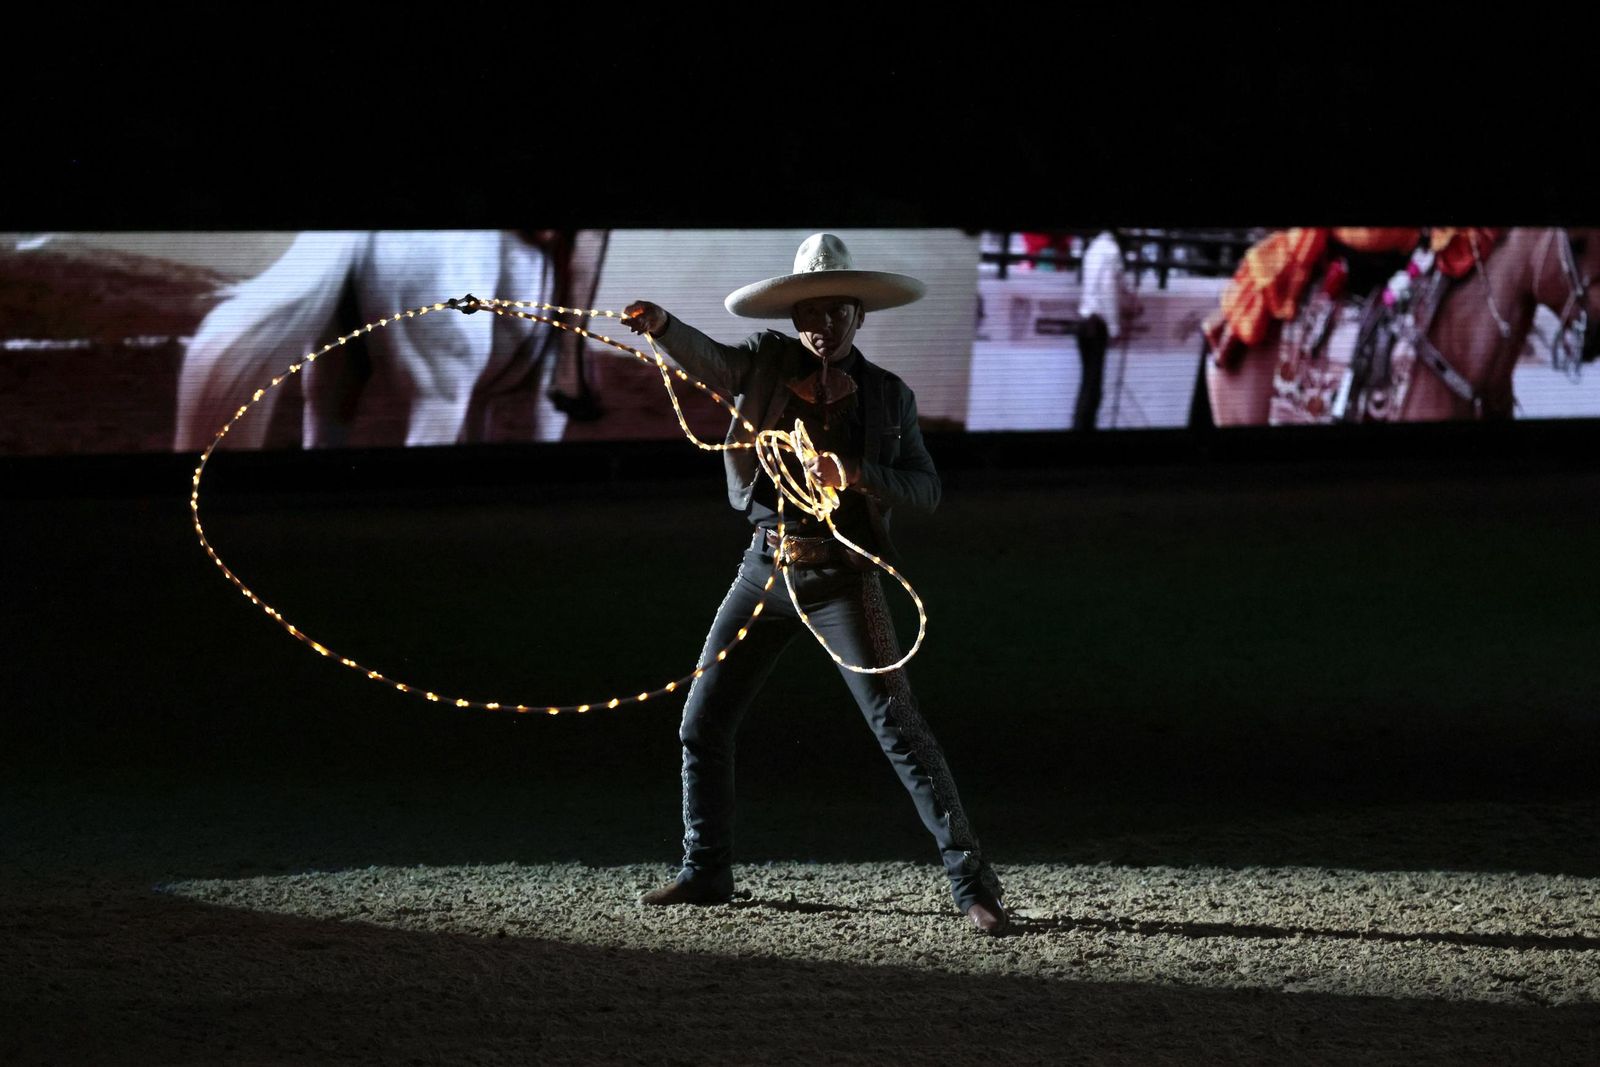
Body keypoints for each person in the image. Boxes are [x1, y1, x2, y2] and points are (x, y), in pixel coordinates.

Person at [621, 233, 1008, 935]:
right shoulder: (764, 367)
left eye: (834, 312)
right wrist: (662, 326)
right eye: (809, 312)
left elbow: (926, 488)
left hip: (843, 578)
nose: (820, 326)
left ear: (858, 315)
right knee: (701, 720)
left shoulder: (890, 399)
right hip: (763, 569)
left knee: (899, 727)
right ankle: (706, 868)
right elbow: (710, 361)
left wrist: (855, 473)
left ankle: (972, 885)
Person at [1075, 230, 1128, 431]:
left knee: (1087, 384)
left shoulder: (1092, 248)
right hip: (1097, 325)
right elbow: (1108, 290)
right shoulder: (1111, 250)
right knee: (1093, 387)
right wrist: (1114, 328)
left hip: (1084, 322)